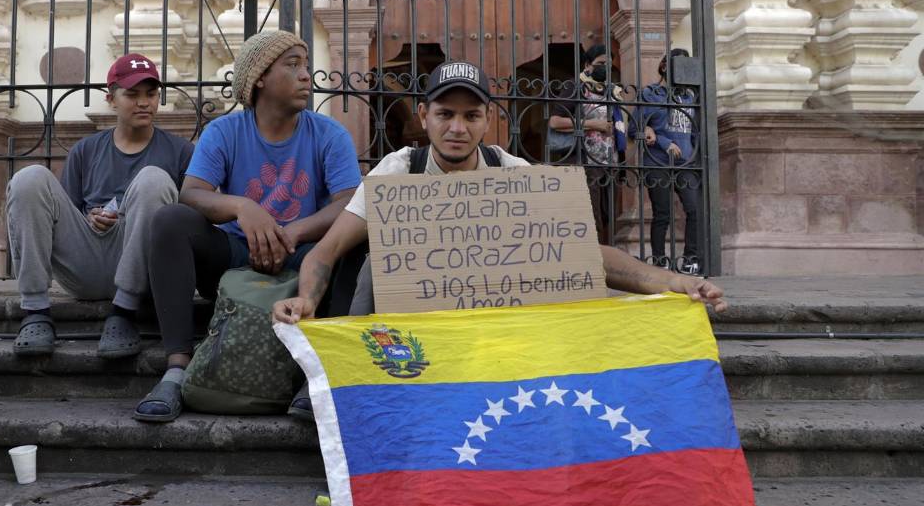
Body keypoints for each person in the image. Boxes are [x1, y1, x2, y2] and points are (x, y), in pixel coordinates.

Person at [273, 59, 727, 327]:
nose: (456, 128)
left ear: (487, 120)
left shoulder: (511, 172)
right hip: (408, 336)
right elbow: (327, 252)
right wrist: (308, 299)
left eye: (470, 116)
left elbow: (586, 255)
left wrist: (673, 282)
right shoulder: (398, 171)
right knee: (368, 258)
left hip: (486, 332)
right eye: (445, 113)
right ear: (424, 116)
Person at [136, 30, 362, 423]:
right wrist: (243, 207)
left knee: (355, 242)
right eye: (292, 65)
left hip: (304, 259)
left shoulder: (329, 134)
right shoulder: (225, 132)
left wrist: (293, 231)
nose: (306, 75)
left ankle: (321, 371)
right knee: (170, 220)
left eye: (306, 65)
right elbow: (191, 193)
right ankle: (176, 368)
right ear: (259, 77)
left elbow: (349, 203)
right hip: (236, 256)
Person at [6, 53, 193, 358]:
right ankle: (35, 311)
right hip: (86, 263)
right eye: (132, 94)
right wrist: (89, 217)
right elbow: (62, 216)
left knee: (154, 180)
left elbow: (184, 227)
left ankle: (124, 312)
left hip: (144, 269)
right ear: (111, 100)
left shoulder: (181, 151)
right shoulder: (86, 149)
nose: (144, 102)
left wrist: (127, 221)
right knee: (29, 178)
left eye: (151, 94)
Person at [546, 44, 627, 245]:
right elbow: (555, 121)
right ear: (587, 65)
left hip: (611, 163)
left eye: (609, 64)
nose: (605, 68)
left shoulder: (613, 92)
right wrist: (594, 124)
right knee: (593, 218)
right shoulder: (576, 87)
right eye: (600, 64)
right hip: (586, 161)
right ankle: (593, 262)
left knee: (607, 215)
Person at [639, 48, 702, 274]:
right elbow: (637, 127)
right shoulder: (650, 93)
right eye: (677, 66)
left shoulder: (691, 97)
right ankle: (659, 261)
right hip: (658, 161)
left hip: (686, 162)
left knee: (694, 210)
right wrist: (664, 142)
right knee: (662, 213)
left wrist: (697, 157)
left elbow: (696, 131)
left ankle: (690, 259)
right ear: (664, 67)